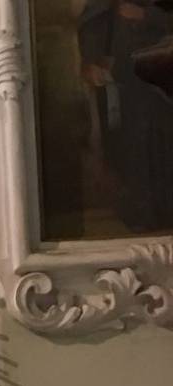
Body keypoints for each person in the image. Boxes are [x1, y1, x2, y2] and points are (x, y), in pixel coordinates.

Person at [78, 0, 173, 232]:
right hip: (127, 77)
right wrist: (92, 59)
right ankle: (143, 211)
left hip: (165, 72)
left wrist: (146, 16)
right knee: (133, 146)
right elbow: (94, 17)